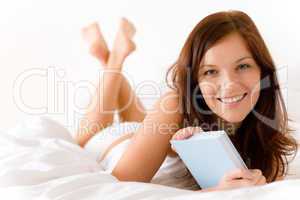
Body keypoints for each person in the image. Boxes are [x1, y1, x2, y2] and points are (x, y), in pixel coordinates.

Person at [75, 11, 298, 192]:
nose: (229, 84)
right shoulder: (176, 102)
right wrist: (213, 194)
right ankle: (115, 60)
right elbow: (119, 190)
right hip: (115, 144)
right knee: (83, 140)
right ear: (195, 81)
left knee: (147, 121)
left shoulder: (266, 136)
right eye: (211, 71)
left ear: (263, 71)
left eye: (242, 66)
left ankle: (110, 58)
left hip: (148, 135)